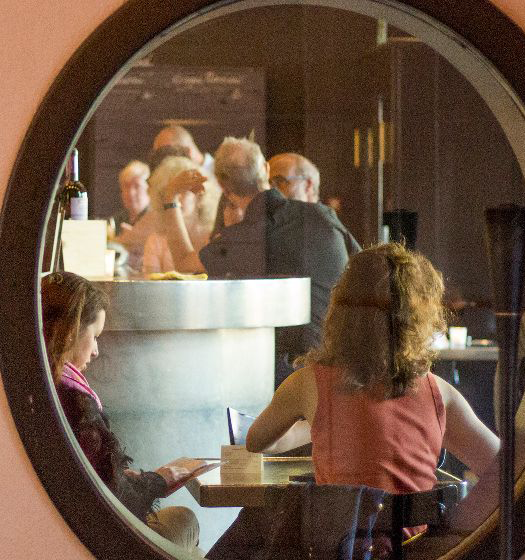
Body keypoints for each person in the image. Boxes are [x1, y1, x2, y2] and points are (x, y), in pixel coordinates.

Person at [207, 244, 500, 560]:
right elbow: (503, 469)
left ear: (340, 312)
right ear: (418, 319)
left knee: (253, 528)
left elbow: (256, 441)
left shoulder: (309, 383)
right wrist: (454, 522)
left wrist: (317, 419)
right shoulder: (440, 394)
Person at [159, 137, 361, 385]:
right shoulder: (322, 215)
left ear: (223, 187)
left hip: (288, 374)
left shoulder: (242, 238)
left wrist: (170, 198)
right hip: (344, 362)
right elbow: (360, 264)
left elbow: (183, 262)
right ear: (265, 169)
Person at [40, 271, 202, 550]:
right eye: (94, 336)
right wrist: (158, 480)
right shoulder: (75, 403)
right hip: (95, 542)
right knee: (185, 521)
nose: (96, 351)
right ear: (70, 332)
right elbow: (111, 499)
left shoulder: (37, 383)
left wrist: (121, 475)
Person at [140, 156, 219, 274]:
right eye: (168, 194)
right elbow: (151, 282)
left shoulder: (214, 236)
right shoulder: (156, 240)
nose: (175, 199)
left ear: (200, 195)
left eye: (182, 191)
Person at [112, 160, 150, 236]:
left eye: (137, 186)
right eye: (126, 186)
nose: (131, 193)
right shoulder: (117, 221)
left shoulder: (156, 220)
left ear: (149, 189)